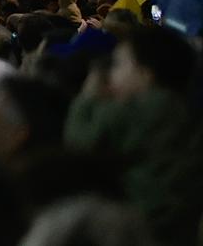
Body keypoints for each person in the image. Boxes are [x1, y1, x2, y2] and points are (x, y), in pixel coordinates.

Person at [64, 26, 203, 242]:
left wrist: (88, 96)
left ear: (145, 74)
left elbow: (79, 142)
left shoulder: (139, 109)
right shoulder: (180, 109)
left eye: (118, 65)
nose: (111, 74)